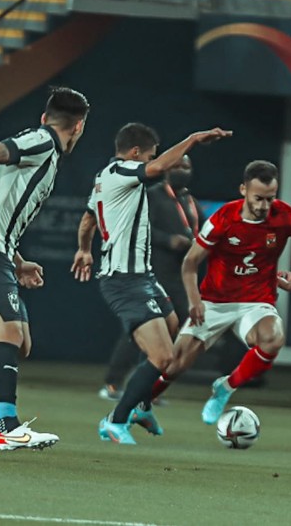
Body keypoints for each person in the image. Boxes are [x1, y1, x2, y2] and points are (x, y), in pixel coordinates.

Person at [71, 123, 232, 444]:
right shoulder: (123, 170)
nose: (154, 163)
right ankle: (115, 421)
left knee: (172, 327)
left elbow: (89, 219)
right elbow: (157, 168)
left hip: (142, 277)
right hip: (124, 280)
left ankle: (142, 405)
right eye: (149, 156)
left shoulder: (104, 177)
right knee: (163, 357)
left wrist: (84, 249)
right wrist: (192, 138)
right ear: (135, 154)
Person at [0, 86, 90, 450]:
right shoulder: (42, 141)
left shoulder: (45, 150)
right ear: (78, 126)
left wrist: (18, 260)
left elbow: (6, 209)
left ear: (46, 116)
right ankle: (8, 427)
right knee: (10, 334)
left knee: (21, 344)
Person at [151, 160, 291, 424]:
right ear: (244, 190)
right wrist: (194, 301)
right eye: (258, 198)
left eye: (270, 198)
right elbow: (190, 262)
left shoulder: (285, 216)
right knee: (175, 365)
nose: (264, 205)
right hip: (215, 301)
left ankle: (225, 388)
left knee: (272, 339)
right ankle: (137, 407)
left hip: (256, 301)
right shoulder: (224, 217)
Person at [98, 155, 201, 401]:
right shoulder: (152, 195)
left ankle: (147, 386)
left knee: (174, 328)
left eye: (186, 166)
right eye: (178, 165)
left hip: (181, 275)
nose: (182, 170)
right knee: (139, 328)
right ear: (167, 169)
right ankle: (113, 383)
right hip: (154, 270)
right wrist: (168, 240)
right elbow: (141, 228)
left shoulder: (190, 201)